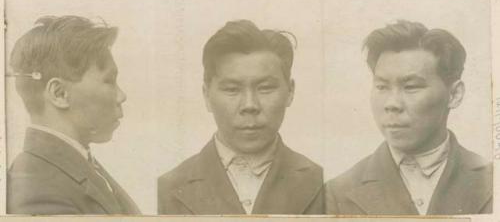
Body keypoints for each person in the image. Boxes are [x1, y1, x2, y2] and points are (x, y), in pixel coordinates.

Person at [325, 20, 492, 215]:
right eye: (382, 87)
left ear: (454, 94)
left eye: (411, 87)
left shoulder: (491, 180)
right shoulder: (337, 193)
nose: (392, 104)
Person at [157, 20, 324, 215]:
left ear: (290, 91)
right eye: (232, 89)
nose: (250, 105)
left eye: (265, 88)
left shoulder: (322, 183)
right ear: (206, 95)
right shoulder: (167, 188)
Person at [7, 15, 141, 215]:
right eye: (109, 80)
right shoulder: (37, 189)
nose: (122, 96)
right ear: (59, 94)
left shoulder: (70, 167)